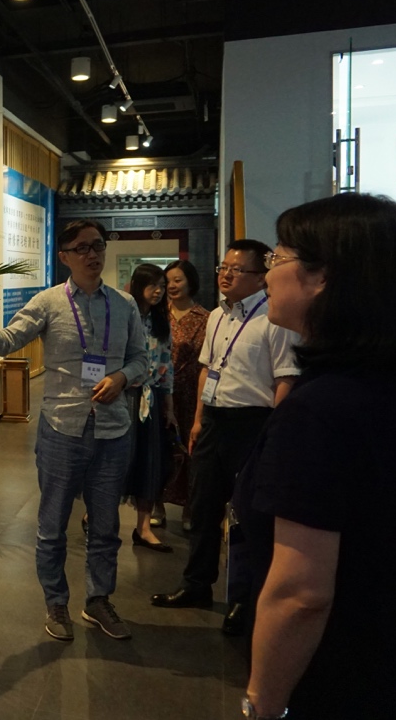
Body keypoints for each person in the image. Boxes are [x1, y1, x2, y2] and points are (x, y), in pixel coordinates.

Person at [235, 194, 396, 719]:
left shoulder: (320, 411)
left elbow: (301, 595)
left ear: (322, 277)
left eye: (277, 258)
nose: (268, 274)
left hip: (342, 675)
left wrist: (263, 704)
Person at [0, 219, 148, 641]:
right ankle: (56, 604)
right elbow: (5, 342)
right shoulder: (48, 303)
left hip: (113, 432)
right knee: (52, 526)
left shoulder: (124, 305)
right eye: (82, 248)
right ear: (64, 256)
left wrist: (122, 377)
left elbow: (142, 358)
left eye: (98, 245)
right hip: (62, 429)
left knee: (105, 528)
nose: (92, 254)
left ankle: (98, 600)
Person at [151, 240, 299, 637]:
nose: (226, 275)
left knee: (248, 516)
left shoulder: (273, 318)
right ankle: (196, 584)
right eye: (223, 267)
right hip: (214, 420)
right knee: (202, 507)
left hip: (253, 422)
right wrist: (199, 420)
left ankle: (244, 599)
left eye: (237, 269)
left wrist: (275, 434)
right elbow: (207, 369)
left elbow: (285, 379)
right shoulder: (217, 315)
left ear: (261, 276)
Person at [122, 264, 176, 553]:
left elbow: (167, 364)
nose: (159, 291)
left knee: (149, 462)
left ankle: (143, 528)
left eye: (162, 286)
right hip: (123, 396)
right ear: (138, 285)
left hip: (151, 398)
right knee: (118, 460)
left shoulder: (160, 322)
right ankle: (96, 514)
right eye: (153, 285)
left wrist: (169, 406)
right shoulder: (124, 316)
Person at [159, 259, 210, 530]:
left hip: (193, 393)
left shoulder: (207, 318)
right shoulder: (157, 315)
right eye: (167, 281)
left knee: (192, 451)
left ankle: (190, 509)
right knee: (159, 449)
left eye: (177, 280)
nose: (171, 286)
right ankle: (155, 505)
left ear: (190, 281)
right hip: (159, 392)